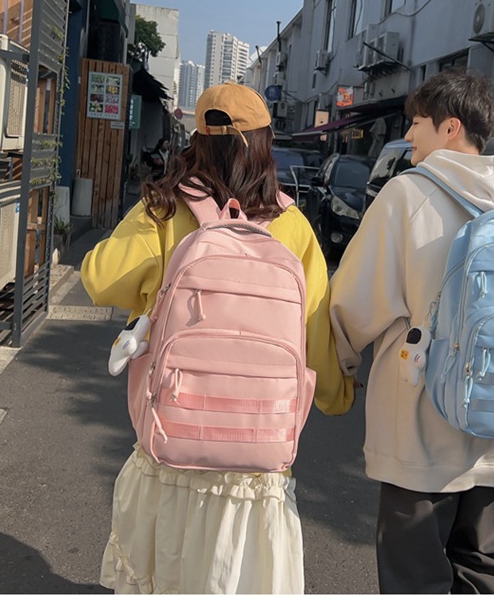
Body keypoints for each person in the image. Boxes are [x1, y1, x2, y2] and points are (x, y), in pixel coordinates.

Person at [81, 82, 354, 595]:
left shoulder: (164, 210)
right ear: (265, 144)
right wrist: (337, 397)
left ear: (198, 142)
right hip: (257, 450)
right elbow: (314, 330)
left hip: (174, 435)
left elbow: (101, 279)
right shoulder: (293, 226)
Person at [328, 69, 494, 595]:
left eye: (417, 123)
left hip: (424, 421)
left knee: (414, 572)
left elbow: (354, 302)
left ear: (450, 127)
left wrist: (339, 369)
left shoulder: (407, 196)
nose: (408, 134)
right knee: (489, 562)